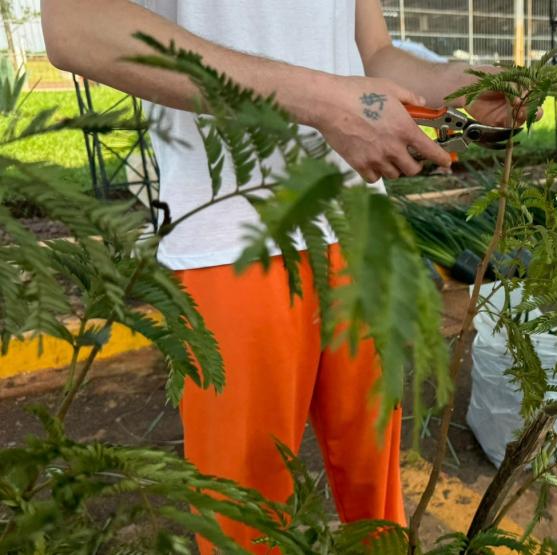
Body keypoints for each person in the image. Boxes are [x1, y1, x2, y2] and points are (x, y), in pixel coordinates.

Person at [42, 1, 519, 552]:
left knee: (377, 490)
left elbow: (373, 52)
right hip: (230, 242)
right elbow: (76, 28)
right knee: (241, 515)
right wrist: (323, 103)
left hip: (358, 225)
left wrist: (446, 83)